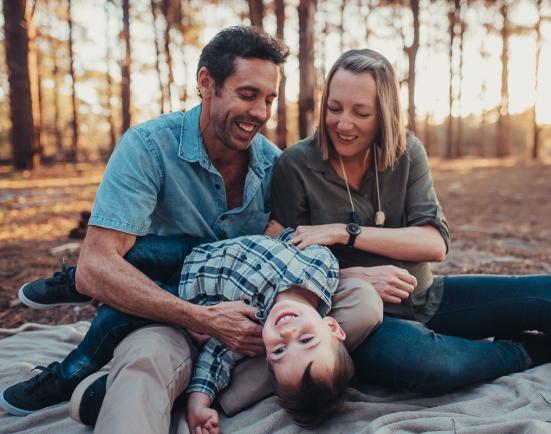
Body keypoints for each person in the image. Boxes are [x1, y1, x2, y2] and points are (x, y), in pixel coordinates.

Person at [2, 28, 383, 433]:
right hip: (166, 309)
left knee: (363, 301)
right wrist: (202, 317)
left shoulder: (275, 164)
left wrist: (353, 273)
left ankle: (201, 392)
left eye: (269, 99)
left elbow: (287, 251)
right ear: (207, 83)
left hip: (254, 319)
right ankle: (170, 387)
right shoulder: (148, 147)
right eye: (248, 94)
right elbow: (95, 268)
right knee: (146, 363)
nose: (260, 112)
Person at [270, 48, 551, 395]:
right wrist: (356, 278)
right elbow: (277, 265)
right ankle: (525, 352)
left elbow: (433, 243)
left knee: (547, 294)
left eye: (361, 113)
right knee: (432, 363)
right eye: (334, 108)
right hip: (364, 323)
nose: (343, 123)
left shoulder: (406, 152)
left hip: (426, 297)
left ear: (384, 114)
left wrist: (346, 233)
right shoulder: (296, 164)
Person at [2, 229, 359, 433]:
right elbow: (295, 236)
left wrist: (198, 405)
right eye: (307, 339)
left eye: (278, 351)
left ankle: (68, 374)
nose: (286, 334)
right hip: (192, 253)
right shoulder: (322, 265)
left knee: (112, 319)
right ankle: (76, 280)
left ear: (265, 354)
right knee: (138, 250)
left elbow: (215, 364)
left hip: (178, 298)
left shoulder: (247, 331)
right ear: (332, 326)